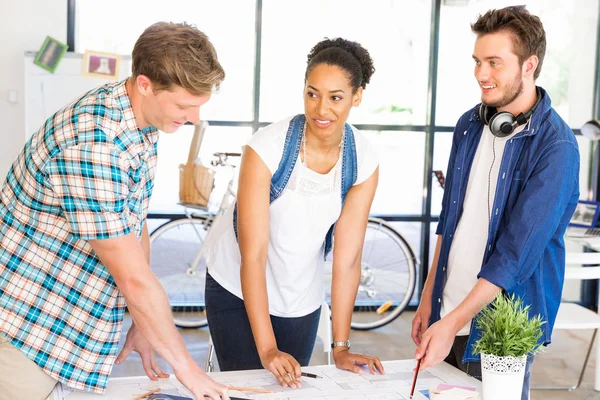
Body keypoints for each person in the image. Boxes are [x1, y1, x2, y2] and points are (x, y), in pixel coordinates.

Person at [0, 22, 230, 400]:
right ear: (145, 84)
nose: (193, 119)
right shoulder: (95, 143)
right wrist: (188, 370)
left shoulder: (141, 122)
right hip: (27, 326)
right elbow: (133, 279)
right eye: (185, 106)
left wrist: (143, 322)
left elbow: (134, 223)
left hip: (66, 320)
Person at [412, 6, 580, 400]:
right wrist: (427, 301)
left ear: (529, 65)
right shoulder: (469, 125)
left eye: (494, 63)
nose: (481, 74)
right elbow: (450, 221)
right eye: (477, 62)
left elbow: (515, 255)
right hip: (446, 313)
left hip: (498, 327)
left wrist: (452, 322)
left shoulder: (556, 147)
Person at [203, 37, 385, 387]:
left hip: (300, 298)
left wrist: (342, 347)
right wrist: (268, 348)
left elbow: (347, 260)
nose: (321, 109)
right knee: (248, 390)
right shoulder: (266, 148)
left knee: (288, 392)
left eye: (336, 98)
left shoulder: (363, 160)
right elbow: (252, 255)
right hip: (237, 290)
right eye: (312, 93)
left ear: (357, 97)